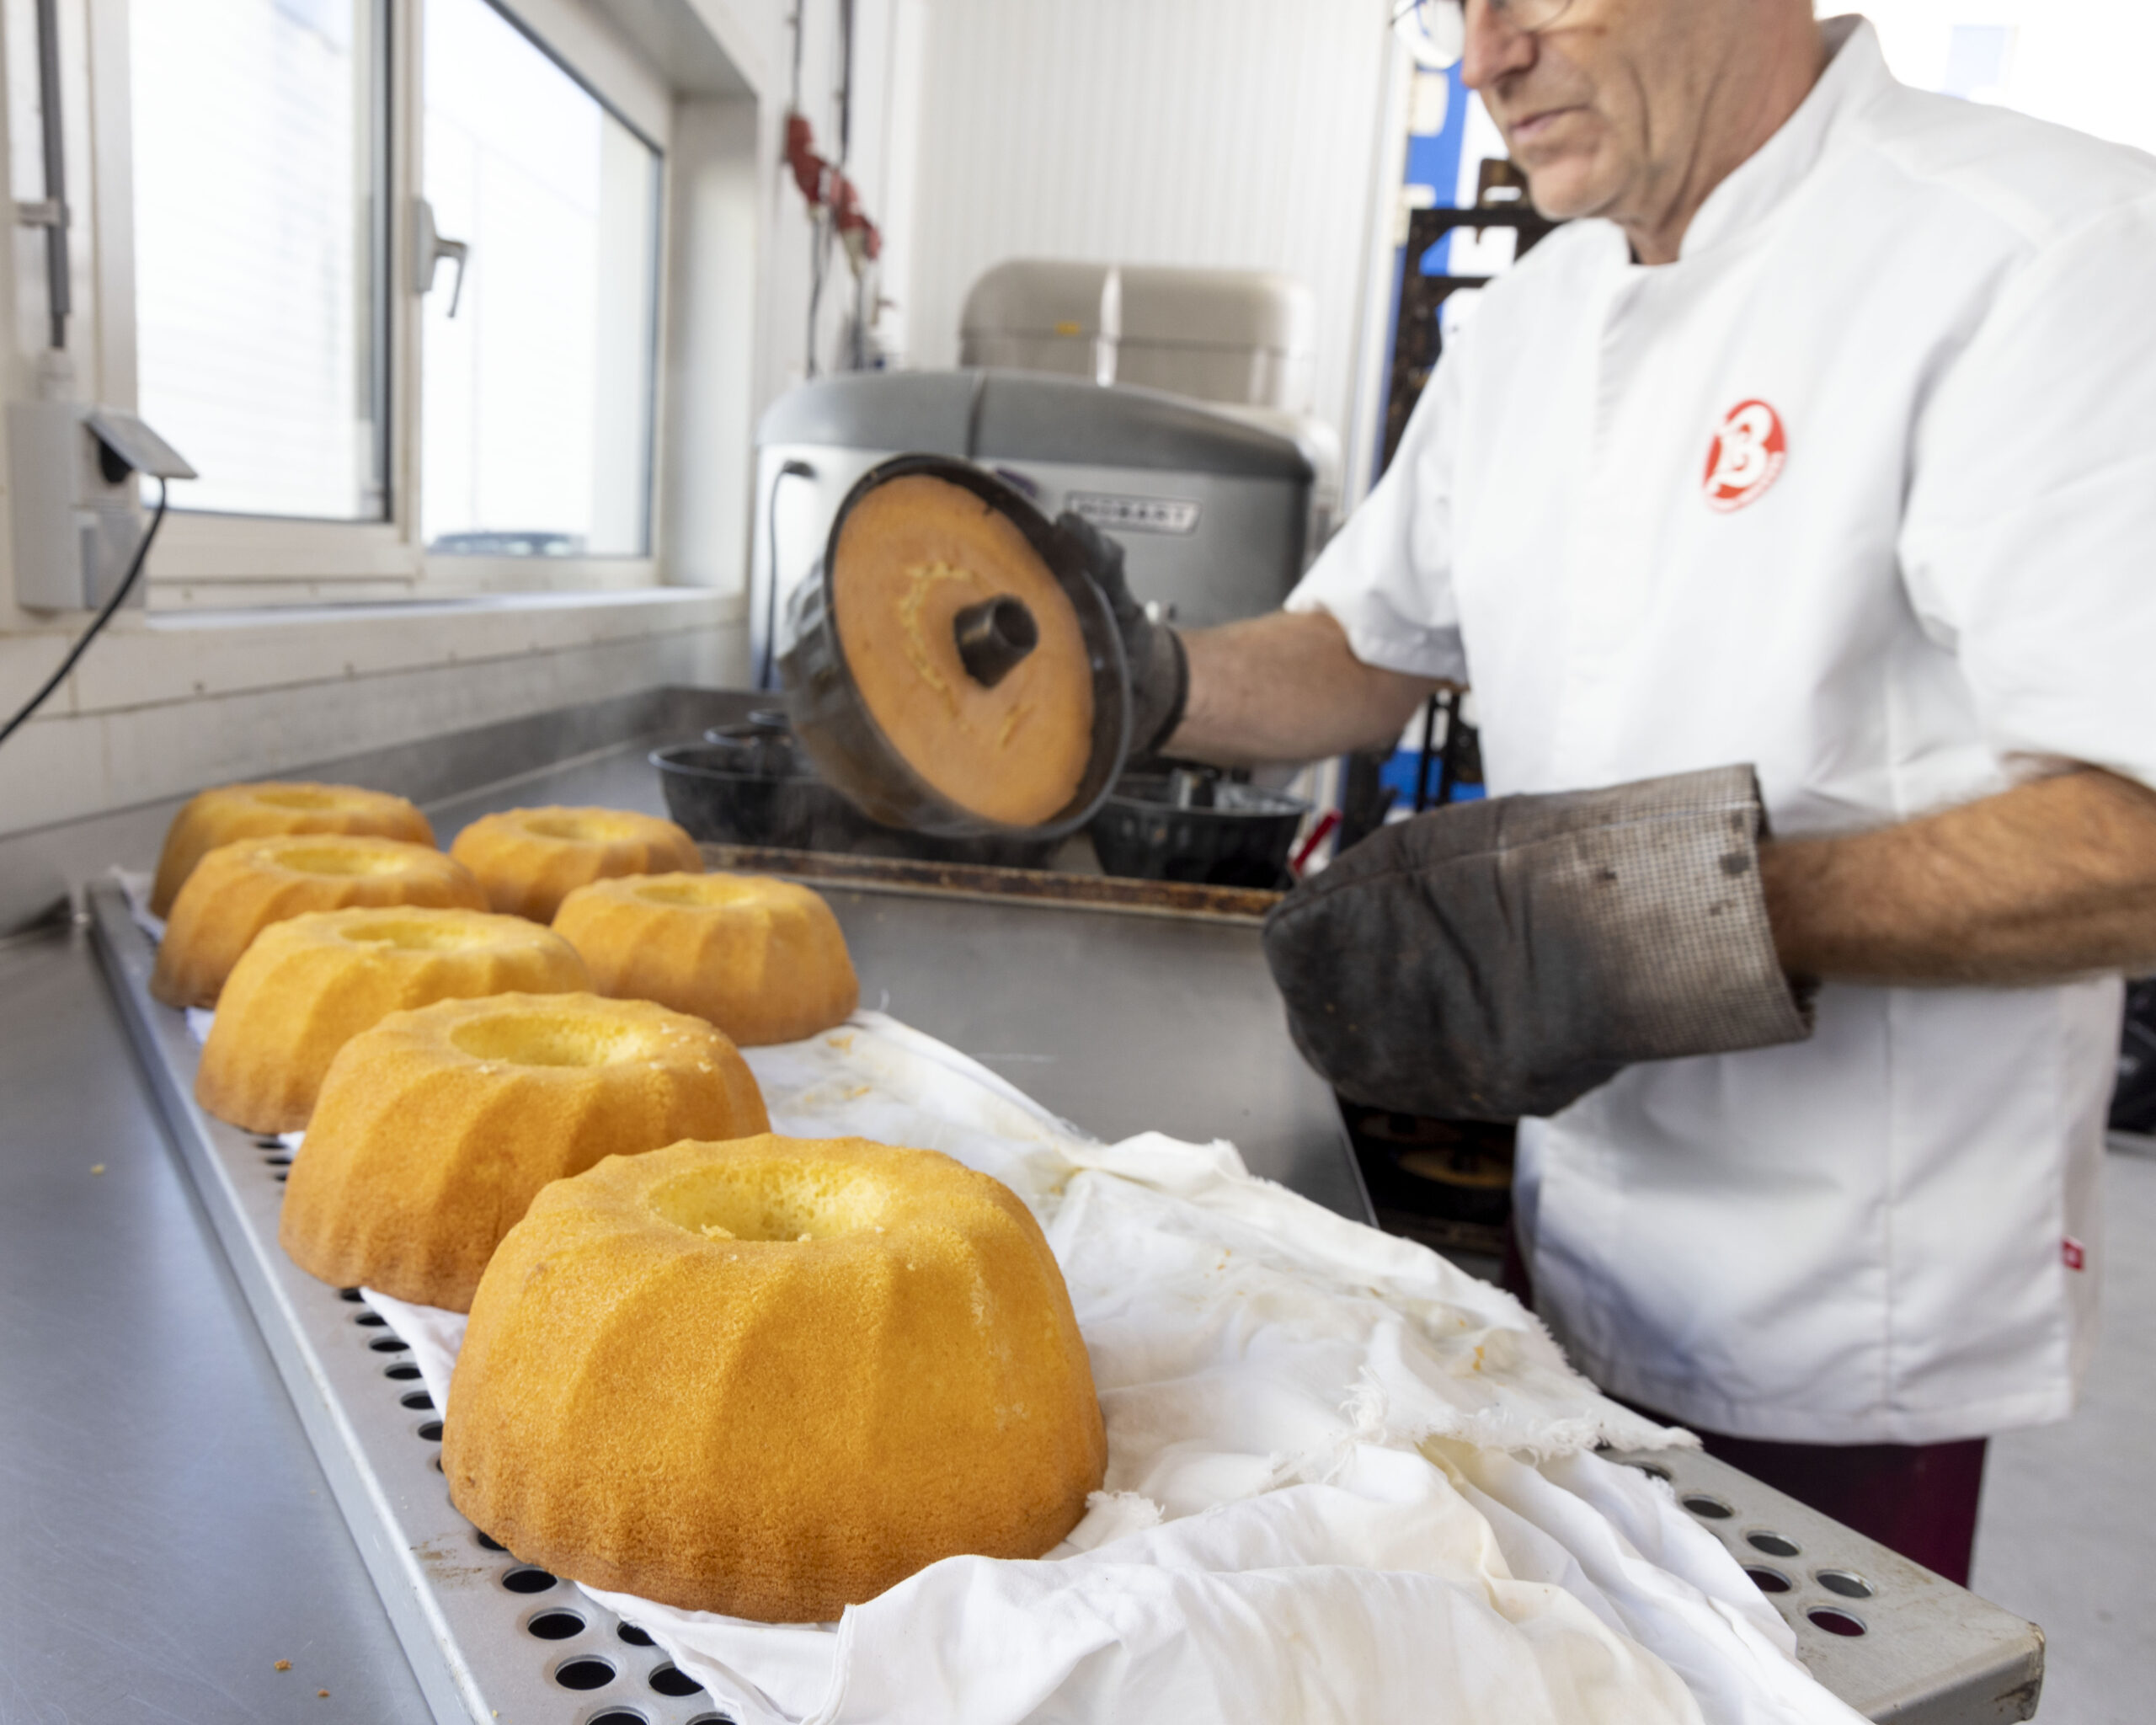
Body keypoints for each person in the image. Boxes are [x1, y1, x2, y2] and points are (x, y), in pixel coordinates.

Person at [1068, 1, 2156, 1586]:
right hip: (1563, 1223)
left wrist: (1659, 917)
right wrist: (1120, 681)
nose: (1487, 56)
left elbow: (2135, 834)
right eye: (1458, 6)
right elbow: (1363, 647)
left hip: (1844, 1290)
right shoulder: (1530, 319)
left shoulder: (2044, 253)